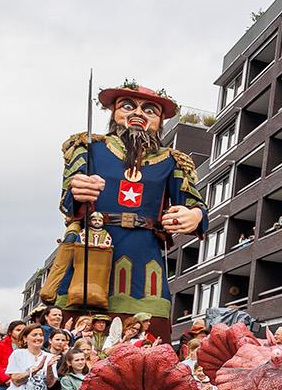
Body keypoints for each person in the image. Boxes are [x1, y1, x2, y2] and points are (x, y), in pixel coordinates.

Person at [57, 83, 206, 338]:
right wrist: (77, 190)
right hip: (92, 245)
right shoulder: (89, 148)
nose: (138, 113)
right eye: (128, 106)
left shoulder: (172, 160)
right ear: (114, 112)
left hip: (143, 251)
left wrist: (194, 216)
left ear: (160, 121)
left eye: (150, 110)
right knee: (78, 332)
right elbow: (67, 201)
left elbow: (193, 203)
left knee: (149, 332)